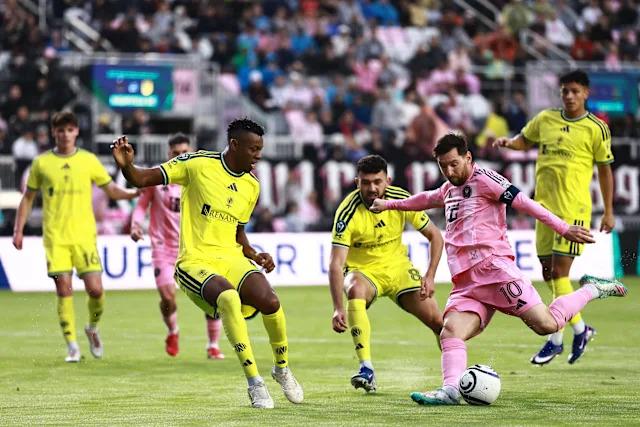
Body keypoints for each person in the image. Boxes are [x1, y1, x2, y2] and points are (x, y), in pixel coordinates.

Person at [370, 133, 627, 405]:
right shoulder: (448, 190)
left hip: (495, 272)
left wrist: (563, 228)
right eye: (443, 166)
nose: (449, 171)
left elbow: (526, 204)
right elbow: (424, 199)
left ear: (468, 157)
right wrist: (388, 204)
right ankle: (451, 391)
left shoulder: (487, 180)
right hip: (466, 283)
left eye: (454, 164)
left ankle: (592, 289)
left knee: (547, 325)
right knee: (450, 331)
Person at [110, 119, 303, 409]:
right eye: (253, 148)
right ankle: (255, 382)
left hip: (231, 257)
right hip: (195, 261)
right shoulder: (197, 164)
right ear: (234, 145)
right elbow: (141, 178)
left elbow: (238, 233)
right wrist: (127, 166)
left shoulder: (251, 185)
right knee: (228, 298)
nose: (258, 155)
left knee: (271, 301)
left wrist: (254, 254)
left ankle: (282, 369)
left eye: (260, 148)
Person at [493, 70, 615, 365]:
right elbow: (524, 140)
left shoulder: (596, 128)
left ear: (585, 93)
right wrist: (509, 142)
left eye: (574, 91)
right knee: (548, 274)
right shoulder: (546, 119)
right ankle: (581, 329)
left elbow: (605, 170)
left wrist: (608, 210)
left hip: (573, 211)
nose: (569, 96)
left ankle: (556, 338)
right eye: (565, 91)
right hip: (544, 209)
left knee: (560, 273)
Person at [12, 111, 139, 363]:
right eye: (60, 130)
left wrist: (133, 193)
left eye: (69, 130)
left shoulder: (88, 160)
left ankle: (92, 328)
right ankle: (72, 346)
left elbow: (111, 190)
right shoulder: (41, 163)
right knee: (64, 289)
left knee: (96, 290)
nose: (65, 135)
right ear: (54, 133)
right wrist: (18, 230)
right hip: (56, 238)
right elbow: (28, 198)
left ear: (76, 132)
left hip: (84, 237)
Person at [329, 154, 444, 393]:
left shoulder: (401, 199)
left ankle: (454, 376)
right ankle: (366, 368)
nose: (372, 188)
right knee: (355, 289)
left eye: (377, 182)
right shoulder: (347, 213)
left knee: (439, 322)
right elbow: (336, 264)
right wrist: (338, 308)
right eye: (366, 182)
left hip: (399, 269)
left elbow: (435, 236)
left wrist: (430, 275)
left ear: (387, 181)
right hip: (364, 272)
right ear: (356, 182)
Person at [130, 133, 224, 359]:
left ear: (191, 152)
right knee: (167, 297)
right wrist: (135, 225)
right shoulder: (158, 178)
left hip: (194, 248)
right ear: (168, 154)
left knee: (212, 297)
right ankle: (173, 331)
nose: (180, 156)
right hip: (162, 247)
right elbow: (142, 205)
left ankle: (213, 345)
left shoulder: (201, 178)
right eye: (175, 153)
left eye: (184, 152)